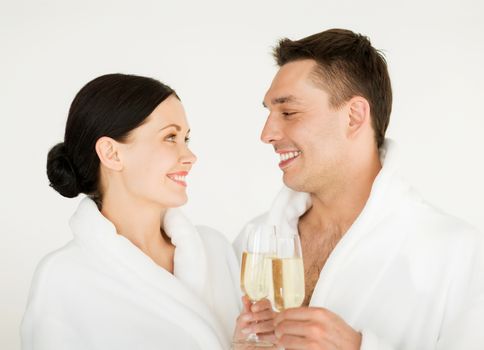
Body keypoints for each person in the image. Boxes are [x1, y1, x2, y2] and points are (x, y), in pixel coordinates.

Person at [234, 29, 484, 349]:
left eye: (288, 112)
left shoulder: (457, 253)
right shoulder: (253, 242)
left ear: (353, 116)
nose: (267, 133)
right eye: (269, 113)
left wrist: (359, 348)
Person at [21, 73, 240, 350]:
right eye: (170, 137)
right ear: (112, 153)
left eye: (186, 138)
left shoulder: (214, 249)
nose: (190, 156)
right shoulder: (63, 277)